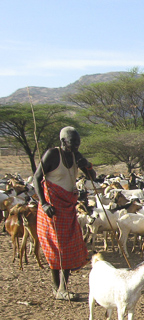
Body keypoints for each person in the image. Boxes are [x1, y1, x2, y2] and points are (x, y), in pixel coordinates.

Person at [32, 127, 96, 300]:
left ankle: (63, 287)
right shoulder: (52, 154)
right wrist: (44, 204)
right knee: (56, 247)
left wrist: (87, 166)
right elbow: (36, 178)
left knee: (68, 246)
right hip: (52, 206)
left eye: (78, 143)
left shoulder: (76, 155)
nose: (75, 146)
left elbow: (93, 177)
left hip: (69, 205)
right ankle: (58, 288)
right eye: (72, 142)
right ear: (63, 142)